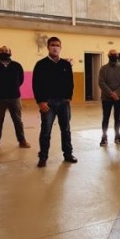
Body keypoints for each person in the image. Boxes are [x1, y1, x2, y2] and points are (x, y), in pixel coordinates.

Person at [32, 36, 77, 166]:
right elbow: (36, 84)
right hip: (48, 103)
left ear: (60, 48)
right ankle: (43, 157)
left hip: (64, 103)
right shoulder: (41, 64)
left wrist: (68, 97)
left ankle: (68, 154)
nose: (55, 48)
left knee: (66, 130)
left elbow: (70, 82)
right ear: (48, 47)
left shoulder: (66, 65)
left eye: (57, 45)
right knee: (46, 131)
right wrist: (40, 102)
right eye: (52, 45)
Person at [0, 45, 30, 152]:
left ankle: (22, 141)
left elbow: (21, 79)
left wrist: (14, 88)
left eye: (6, 50)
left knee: (18, 120)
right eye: (2, 50)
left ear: (10, 53)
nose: (4, 52)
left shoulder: (17, 66)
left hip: (14, 97)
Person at [98, 49, 120, 146]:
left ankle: (117, 137)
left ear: (118, 56)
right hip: (106, 98)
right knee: (105, 118)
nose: (113, 56)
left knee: (117, 118)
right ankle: (104, 138)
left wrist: (117, 94)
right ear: (108, 56)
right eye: (111, 54)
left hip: (119, 98)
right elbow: (101, 83)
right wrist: (111, 93)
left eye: (115, 54)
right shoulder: (103, 69)